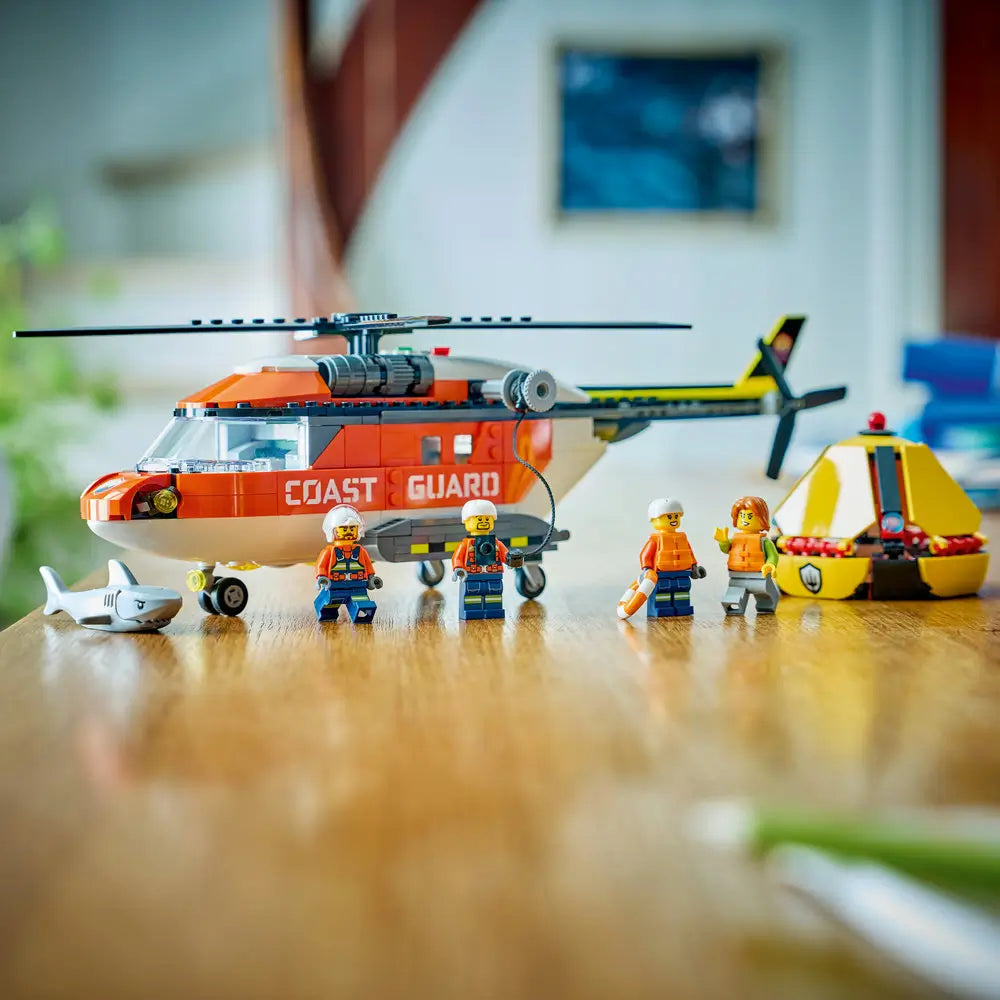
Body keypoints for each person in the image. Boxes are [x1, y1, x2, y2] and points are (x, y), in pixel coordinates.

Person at [451, 499, 523, 620]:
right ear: (467, 521)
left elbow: (505, 555)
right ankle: (472, 611)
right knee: (472, 594)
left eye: (487, 519)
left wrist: (512, 559)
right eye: (479, 519)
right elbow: (457, 557)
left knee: (494, 593)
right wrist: (458, 569)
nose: (484, 522)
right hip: (472, 575)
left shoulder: (496, 543)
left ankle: (493, 610)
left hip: (494, 575)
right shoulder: (466, 544)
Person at [314, 504, 382, 623]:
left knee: (364, 606)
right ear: (333, 530)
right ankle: (327, 616)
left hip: (358, 586)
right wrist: (322, 578)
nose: (349, 532)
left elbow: (368, 566)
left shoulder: (361, 551)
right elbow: (321, 566)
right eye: (344, 529)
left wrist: (371, 579)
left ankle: (362, 618)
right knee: (328, 607)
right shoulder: (330, 552)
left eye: (352, 528)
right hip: (335, 586)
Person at [714, 495, 780, 616]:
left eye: (749, 516)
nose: (745, 520)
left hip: (760, 576)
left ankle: (766, 606)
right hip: (737, 577)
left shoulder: (764, 541)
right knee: (733, 599)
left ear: (762, 519)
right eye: (742, 516)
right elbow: (726, 549)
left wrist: (770, 564)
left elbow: (773, 555)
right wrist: (723, 541)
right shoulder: (735, 538)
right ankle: (736, 609)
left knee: (766, 596)